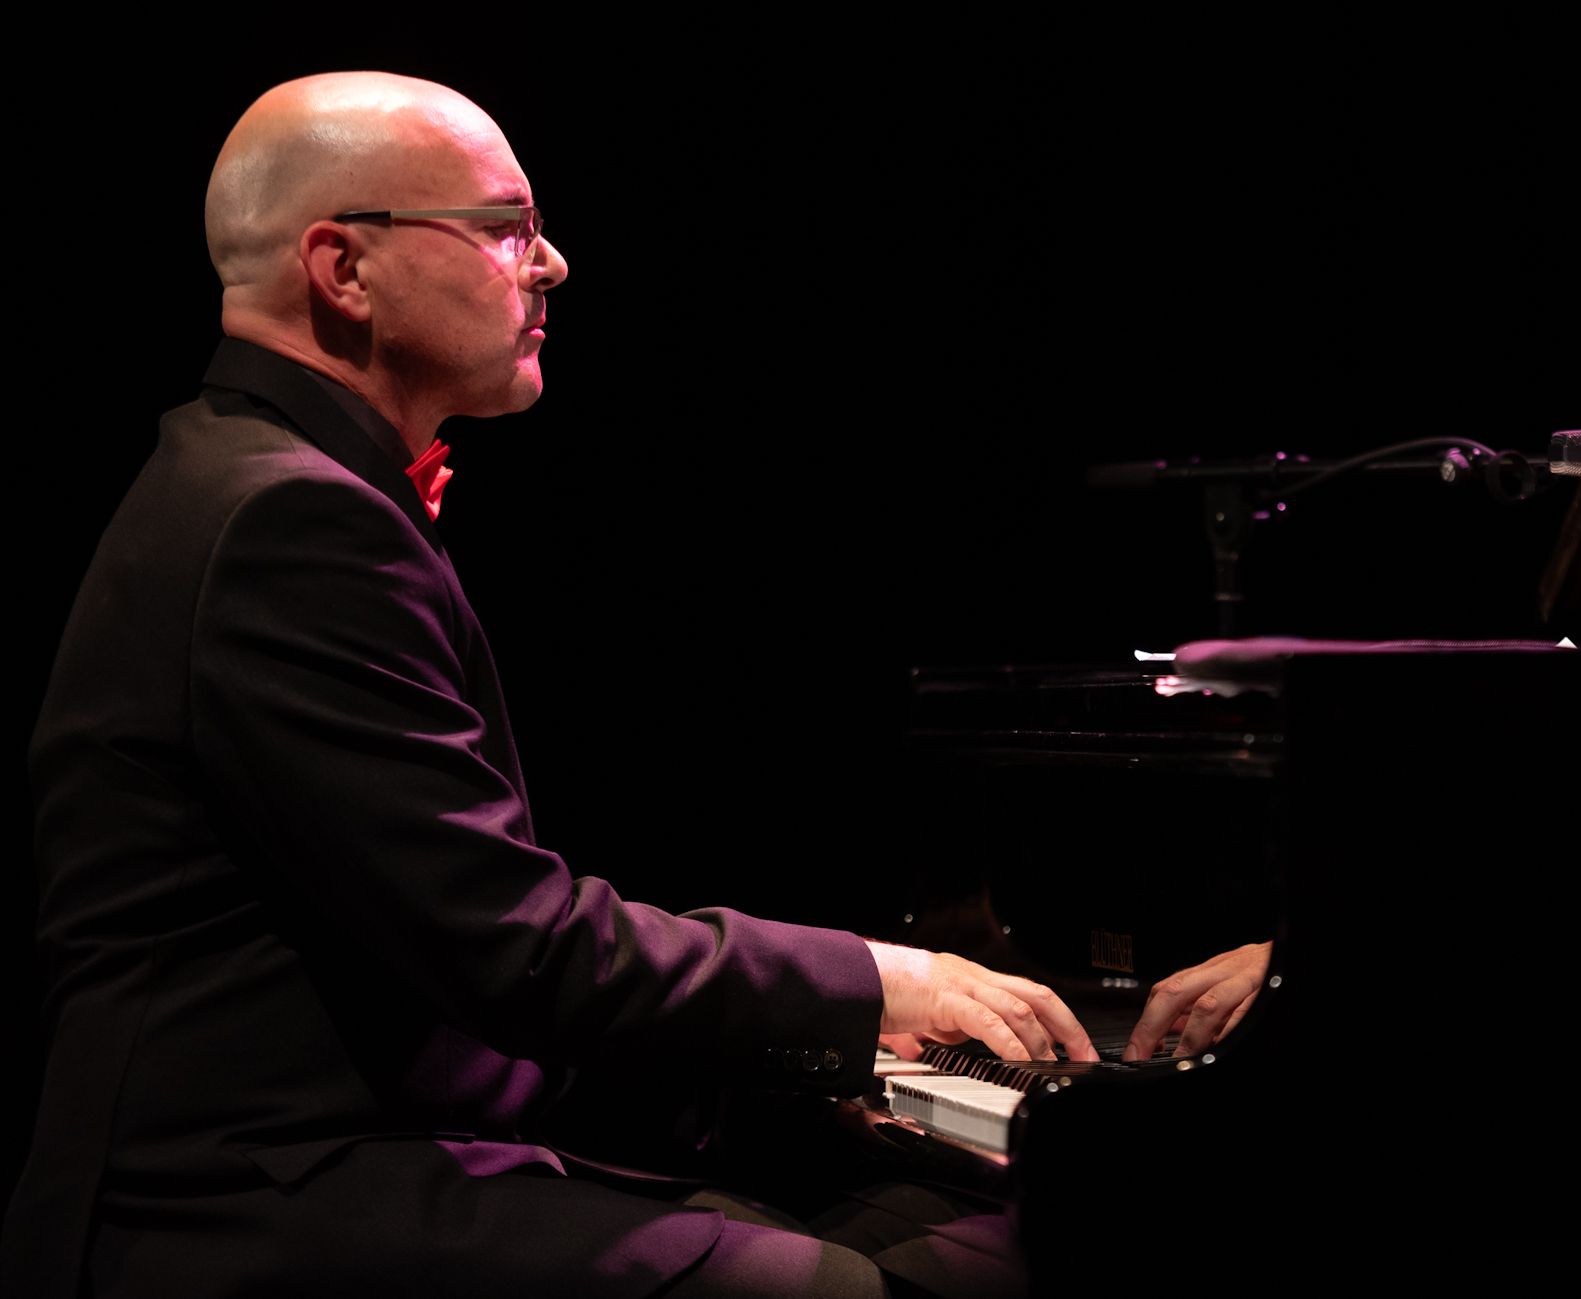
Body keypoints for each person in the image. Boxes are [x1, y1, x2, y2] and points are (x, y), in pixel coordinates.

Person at [0, 71, 1108, 1299]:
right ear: (342, 268)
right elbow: (510, 944)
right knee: (868, 1282)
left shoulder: (269, 480)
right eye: (503, 228)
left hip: (363, 1143)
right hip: (244, 1197)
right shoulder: (287, 521)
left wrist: (794, 1066)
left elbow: (442, 952)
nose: (553, 264)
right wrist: (873, 981)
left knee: (902, 1213)